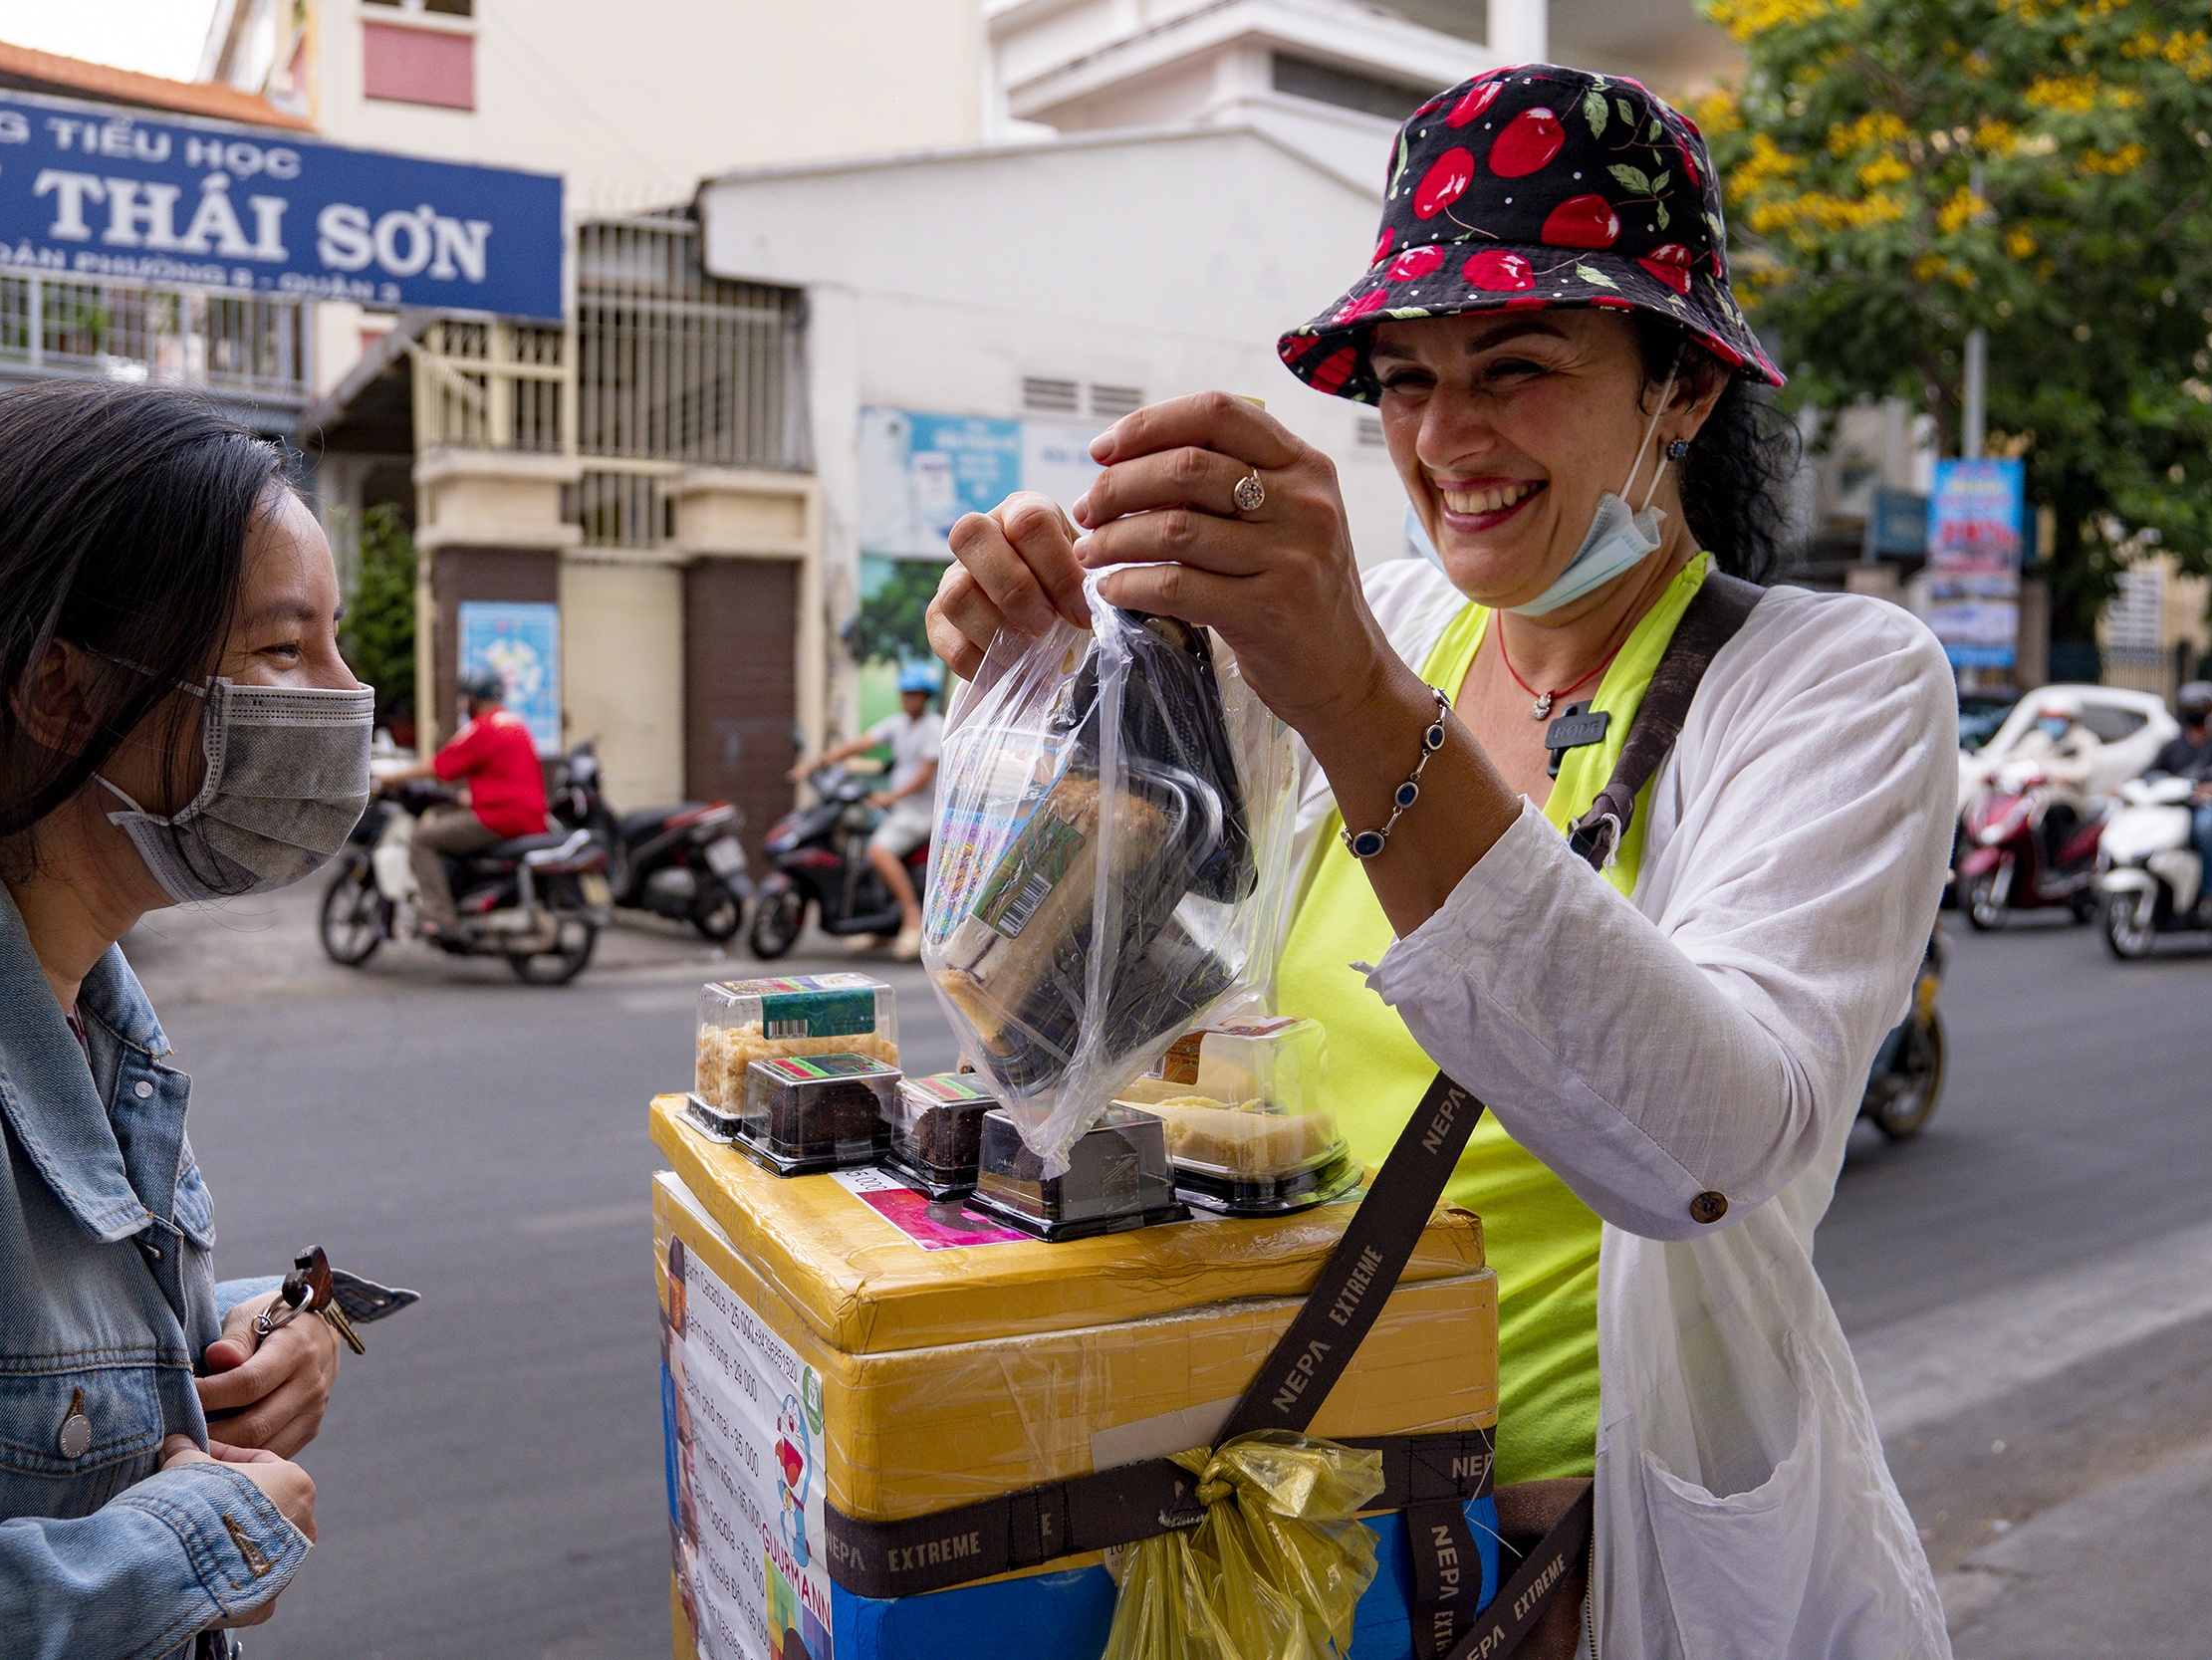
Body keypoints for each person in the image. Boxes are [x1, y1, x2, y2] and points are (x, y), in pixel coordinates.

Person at [927, 65, 1956, 1656]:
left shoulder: (1837, 682)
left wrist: (1352, 697)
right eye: (1405, 381)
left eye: (1517, 366)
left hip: (1574, 1567)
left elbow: (1705, 1152)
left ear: (1683, 388)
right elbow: (1062, 1027)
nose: (1446, 437)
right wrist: (1048, 687)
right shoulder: (1390, 629)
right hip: (1298, 1533)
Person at [0, 380, 369, 1656]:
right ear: (60, 690)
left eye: (337, 640)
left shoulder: (82, 987)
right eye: (283, 650)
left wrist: (284, 1321)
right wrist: (172, 1554)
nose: (345, 693)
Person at [791, 663, 943, 959]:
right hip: (900, 810)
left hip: (921, 812)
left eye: (914, 694)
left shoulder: (934, 727)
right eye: (904, 693)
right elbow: (859, 745)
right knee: (860, 852)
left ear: (926, 697)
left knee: (879, 851)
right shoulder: (897, 724)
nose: (907, 698)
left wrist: (890, 797)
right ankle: (881, 928)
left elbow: (926, 774)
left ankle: (912, 917)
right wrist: (816, 764)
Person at [384, 667, 549, 937]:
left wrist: (392, 777)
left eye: (465, 699)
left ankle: (439, 916)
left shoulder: (483, 727)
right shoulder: (515, 724)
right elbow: (505, 775)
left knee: (422, 839)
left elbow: (440, 766)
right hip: (530, 815)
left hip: (499, 817)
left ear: (473, 698)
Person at [2148, 680, 2212, 910]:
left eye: (2201, 708)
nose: (2195, 713)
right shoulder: (2173, 745)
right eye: (2190, 708)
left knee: (2205, 827)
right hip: (2176, 806)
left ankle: (2211, 892)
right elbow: (2150, 771)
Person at [2005, 692, 2101, 865]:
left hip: (2066, 799)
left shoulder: (2083, 741)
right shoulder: (2035, 740)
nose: (2051, 722)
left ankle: (2051, 865)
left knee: (2052, 817)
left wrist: (2053, 774)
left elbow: (2086, 769)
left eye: (2056, 718)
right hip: (2031, 798)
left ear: (2070, 719)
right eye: (2047, 717)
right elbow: (2016, 759)